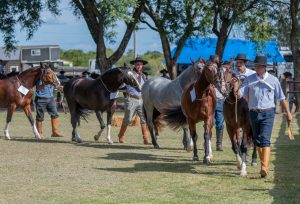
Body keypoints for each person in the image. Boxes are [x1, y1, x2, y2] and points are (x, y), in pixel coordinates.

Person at [239, 56, 292, 178]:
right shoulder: (249, 79)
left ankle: (264, 167)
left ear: (264, 67)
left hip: (268, 113)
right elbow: (241, 93)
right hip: (253, 113)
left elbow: (282, 98)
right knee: (257, 140)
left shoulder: (273, 80)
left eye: (258, 66)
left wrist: (288, 113)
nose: (255, 67)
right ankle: (264, 166)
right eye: (255, 65)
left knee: (265, 139)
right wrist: (236, 90)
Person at [118, 57, 151, 145]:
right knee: (128, 119)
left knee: (144, 119)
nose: (139, 66)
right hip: (131, 99)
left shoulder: (144, 76)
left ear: (142, 66)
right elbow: (122, 85)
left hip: (141, 100)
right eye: (137, 64)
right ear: (135, 65)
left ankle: (145, 138)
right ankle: (121, 135)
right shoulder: (130, 74)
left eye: (140, 64)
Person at [210, 55, 225, 151]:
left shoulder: (222, 71)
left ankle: (219, 144)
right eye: (215, 61)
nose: (216, 62)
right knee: (210, 123)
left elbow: (224, 83)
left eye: (217, 61)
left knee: (220, 123)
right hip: (210, 99)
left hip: (219, 99)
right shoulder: (208, 70)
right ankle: (208, 143)